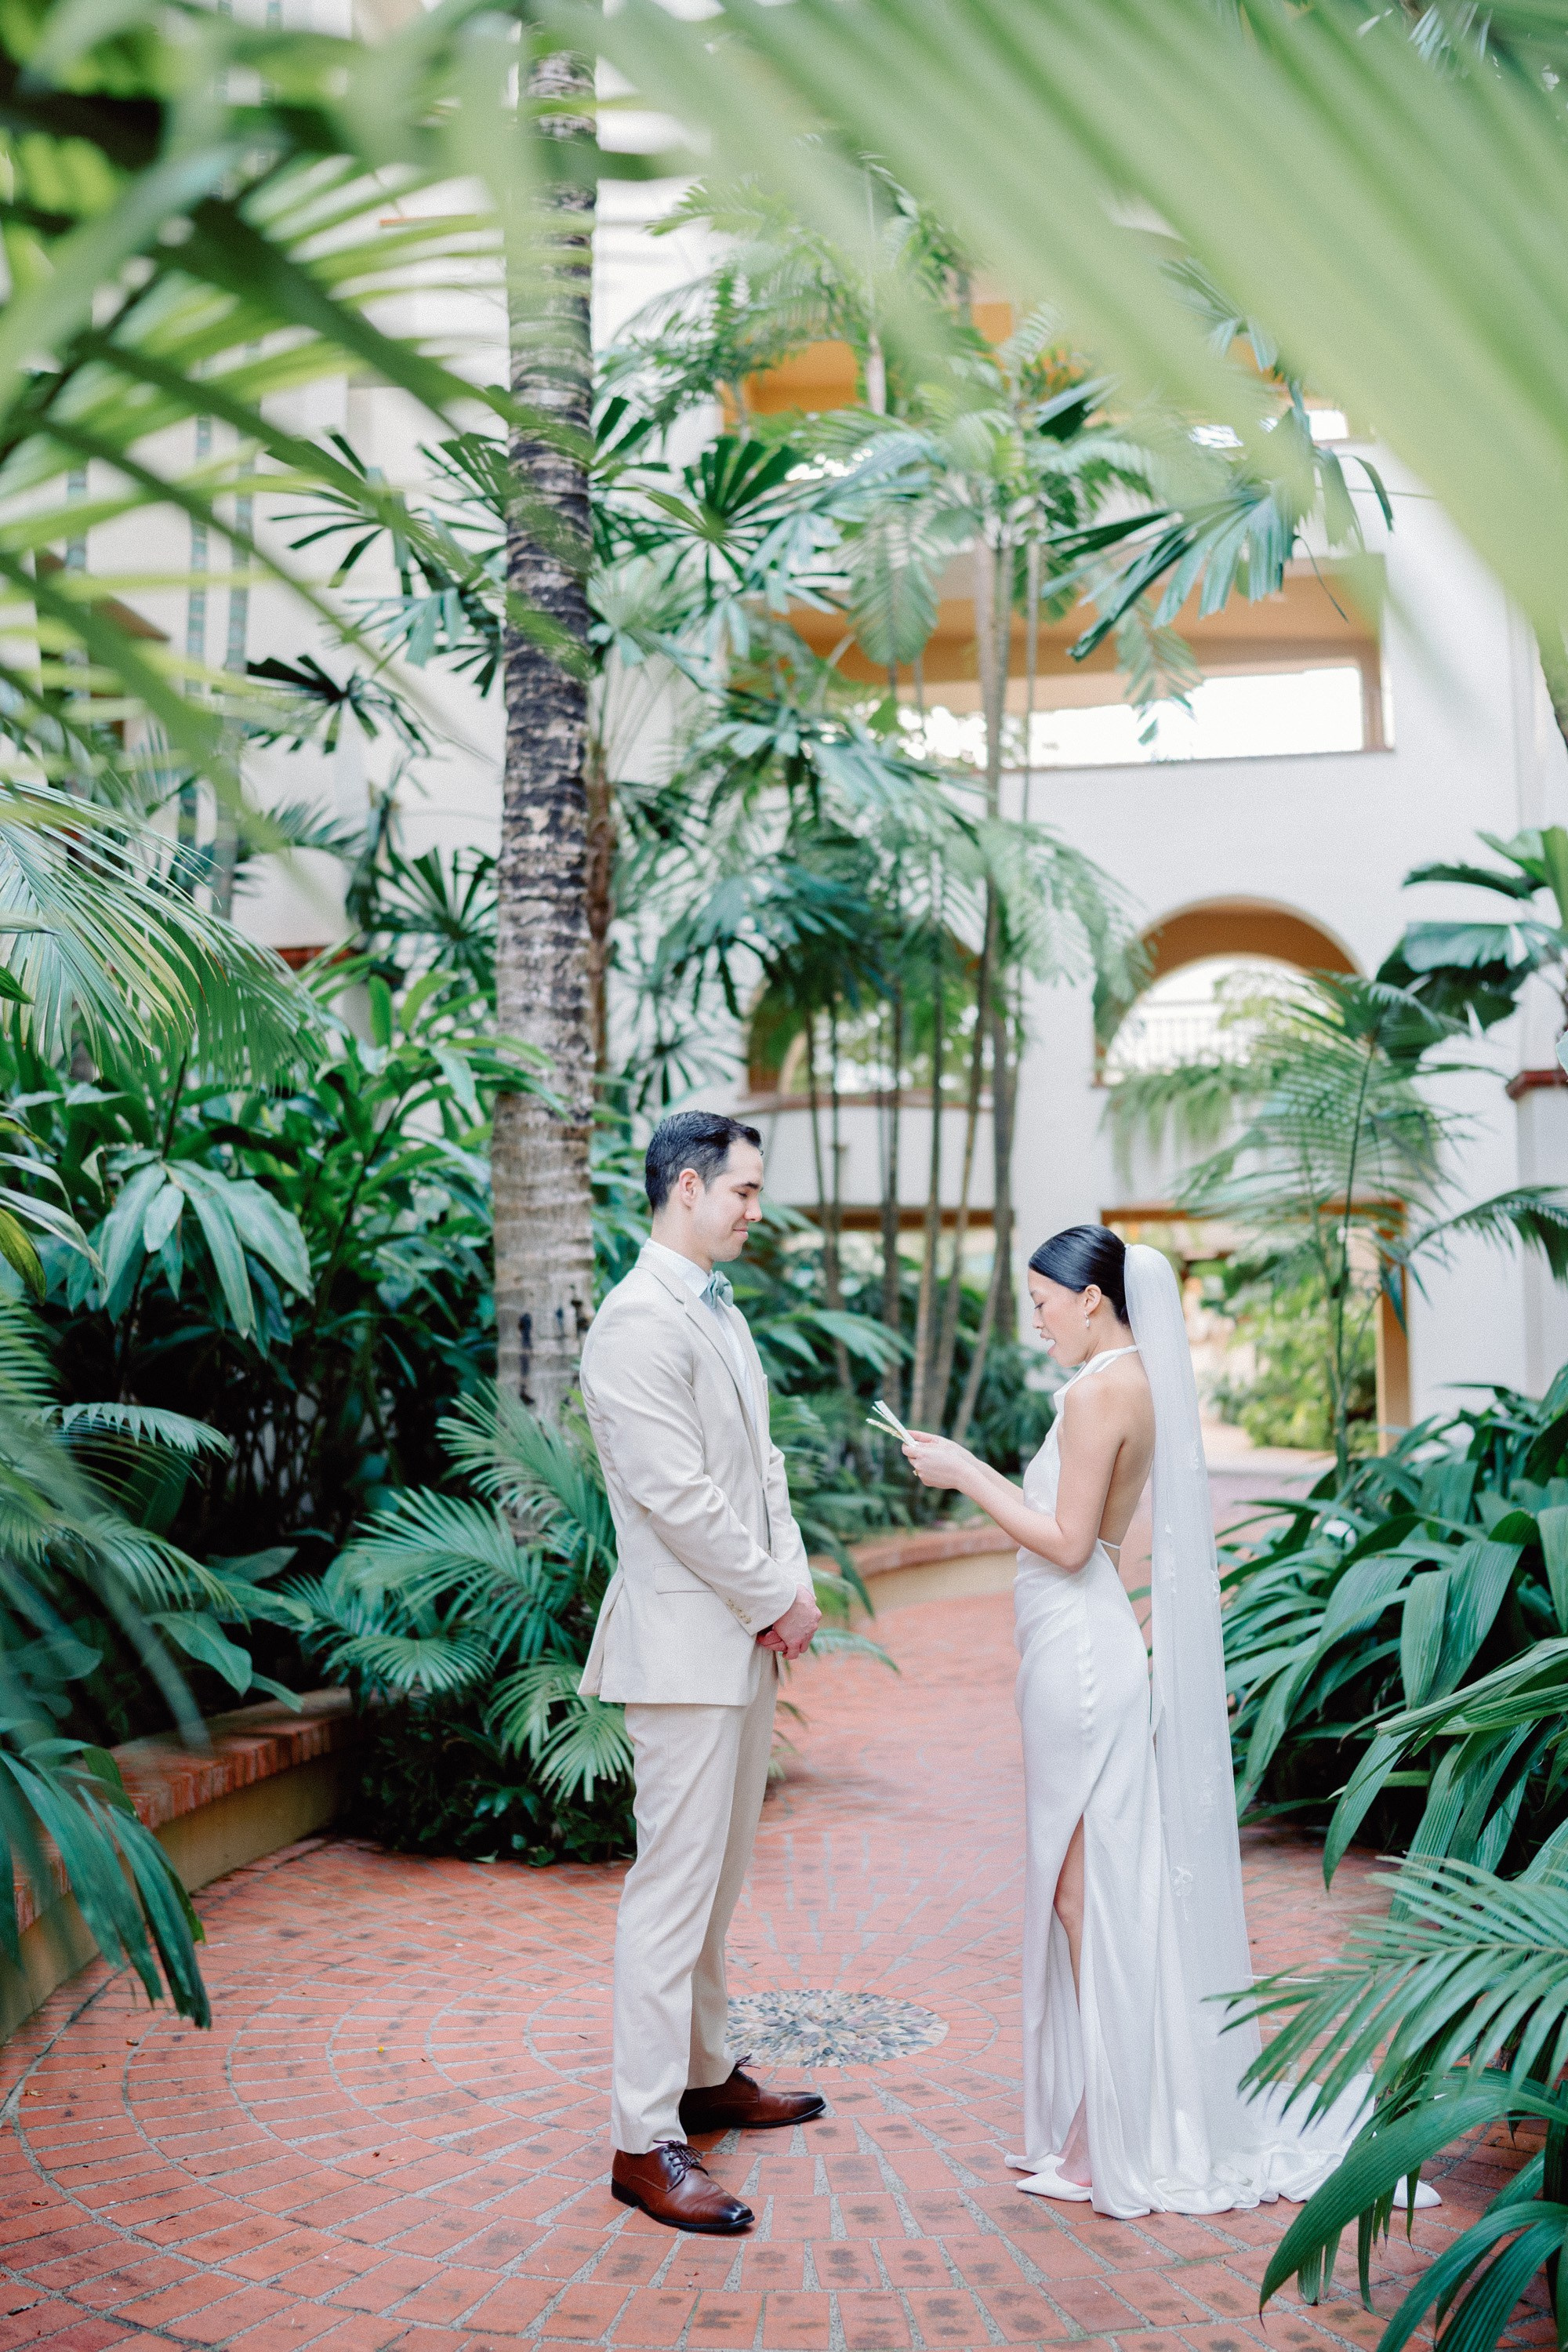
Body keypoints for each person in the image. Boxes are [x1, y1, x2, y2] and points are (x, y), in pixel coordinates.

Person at [901, 1226, 1425, 2220]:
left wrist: (967, 1475)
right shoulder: (1127, 1380)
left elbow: (1065, 1545)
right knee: (1091, 1891)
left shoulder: (1098, 1389)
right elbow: (1092, 1535)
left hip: (1078, 1654)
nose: (1036, 1318)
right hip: (1078, 1640)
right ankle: (1107, 2121)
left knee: (1080, 1896)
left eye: (1043, 1300)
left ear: (1090, 1298)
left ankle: (1114, 2136)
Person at [578, 1110, 827, 2234]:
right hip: (683, 1648)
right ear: (687, 1186)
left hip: (742, 1639)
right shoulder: (636, 1322)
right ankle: (643, 2139)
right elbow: (678, 1499)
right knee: (670, 1893)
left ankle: (704, 2073)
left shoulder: (718, 1314)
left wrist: (794, 1580)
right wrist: (772, 1596)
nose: (754, 1210)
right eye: (744, 1191)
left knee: (718, 1884)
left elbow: (760, 1469)